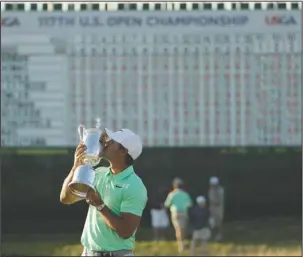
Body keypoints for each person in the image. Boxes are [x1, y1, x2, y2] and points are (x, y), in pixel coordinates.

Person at [60, 128, 148, 256]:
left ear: (123, 151)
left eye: (112, 142)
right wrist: (75, 167)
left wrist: (100, 206)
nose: (105, 143)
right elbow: (66, 198)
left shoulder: (135, 186)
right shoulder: (98, 173)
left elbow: (125, 231)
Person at [164, 177, 193, 253]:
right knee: (183, 229)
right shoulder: (185, 194)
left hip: (175, 213)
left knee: (178, 229)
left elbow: (167, 204)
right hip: (184, 212)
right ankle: (183, 243)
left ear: (174, 186)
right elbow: (190, 204)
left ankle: (181, 245)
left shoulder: (172, 194)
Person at [208, 176, 225, 241]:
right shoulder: (211, 190)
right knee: (211, 223)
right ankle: (213, 235)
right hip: (212, 209)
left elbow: (218, 201)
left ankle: (220, 235)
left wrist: (214, 202)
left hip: (218, 209)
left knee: (219, 223)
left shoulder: (220, 190)